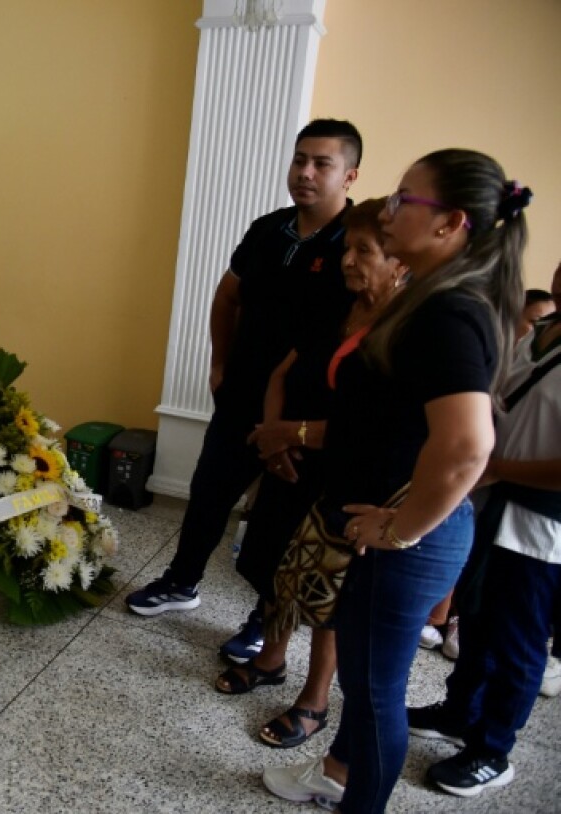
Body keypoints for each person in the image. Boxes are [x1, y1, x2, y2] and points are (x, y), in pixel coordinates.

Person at [262, 150, 528, 814]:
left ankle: (360, 802)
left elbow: (468, 446)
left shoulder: (449, 313)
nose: (389, 210)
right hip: (394, 526)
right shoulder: (434, 300)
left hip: (407, 534)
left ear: (451, 224)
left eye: (406, 199)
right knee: (365, 679)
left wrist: (399, 528)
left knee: (376, 690)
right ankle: (338, 772)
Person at [126, 119, 362, 626]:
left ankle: (264, 619)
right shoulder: (267, 228)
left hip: (304, 410)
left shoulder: (355, 243)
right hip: (242, 391)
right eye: (300, 159)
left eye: (323, 163)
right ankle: (181, 581)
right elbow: (228, 294)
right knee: (209, 491)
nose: (306, 172)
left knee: (281, 519)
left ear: (350, 176)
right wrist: (218, 362)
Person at [214, 199, 407, 754]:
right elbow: (282, 371)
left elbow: (370, 426)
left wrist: (290, 435)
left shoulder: (402, 330)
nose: (348, 260)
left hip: (348, 474)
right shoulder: (337, 308)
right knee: (279, 566)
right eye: (346, 247)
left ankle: (314, 700)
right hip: (292, 456)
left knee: (329, 594)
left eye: (363, 250)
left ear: (399, 261)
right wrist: (275, 434)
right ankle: (271, 660)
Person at [404, 252, 558, 800]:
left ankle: (493, 750)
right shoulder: (538, 331)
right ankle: (458, 710)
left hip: (539, 528)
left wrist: (500, 469)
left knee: (517, 641)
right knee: (474, 617)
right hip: (490, 504)